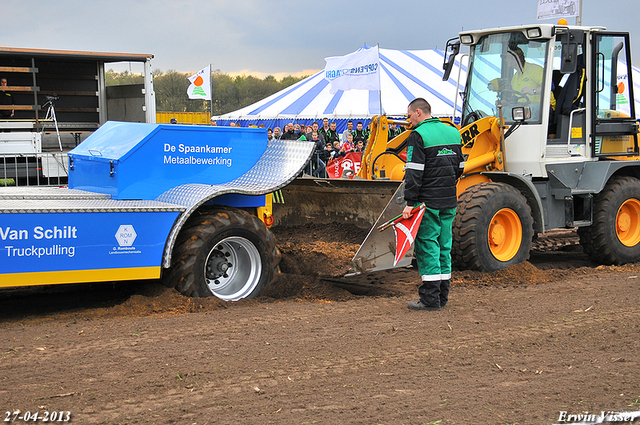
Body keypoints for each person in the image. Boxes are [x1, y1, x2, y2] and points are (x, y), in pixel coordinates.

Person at [402, 98, 463, 311]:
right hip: (449, 200)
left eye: (409, 115)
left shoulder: (418, 136)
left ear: (418, 112)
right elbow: (460, 168)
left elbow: (414, 172)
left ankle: (429, 299)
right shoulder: (453, 132)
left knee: (428, 245)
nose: (409, 120)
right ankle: (442, 297)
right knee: (444, 245)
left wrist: (410, 202)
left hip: (428, 202)